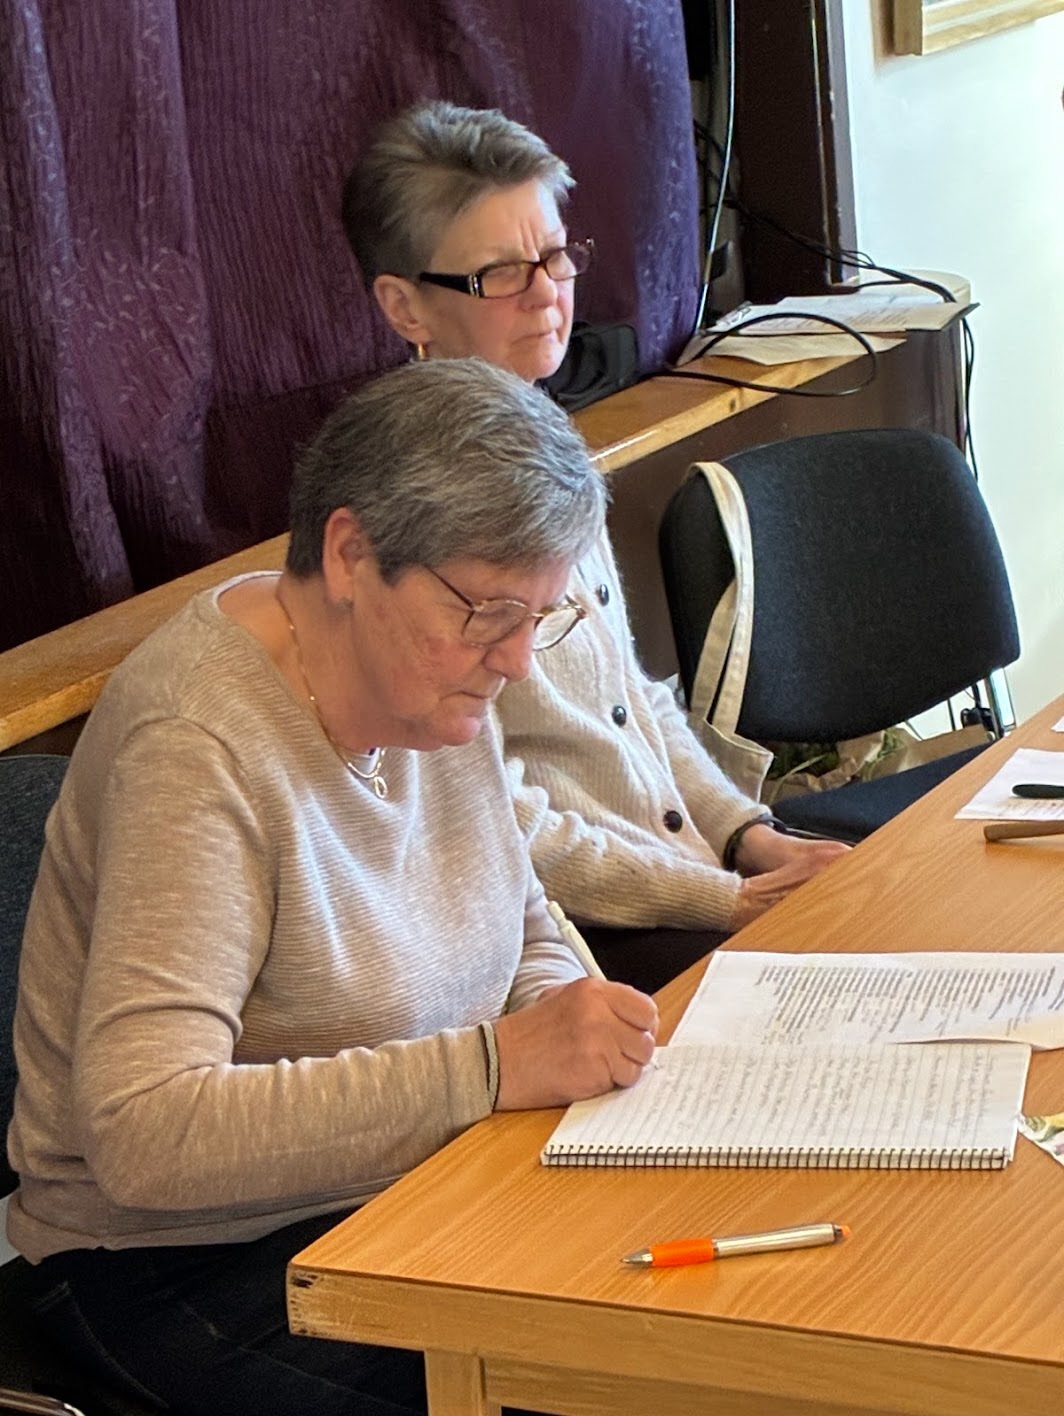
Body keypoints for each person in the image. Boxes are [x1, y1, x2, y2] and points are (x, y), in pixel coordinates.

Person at [8, 358, 659, 1416]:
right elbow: (145, 1134)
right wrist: (496, 1066)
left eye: (539, 617)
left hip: (416, 1187)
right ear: (352, 553)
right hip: (184, 1260)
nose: (519, 663)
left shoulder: (434, 678)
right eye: (490, 613)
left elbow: (520, 918)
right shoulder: (199, 743)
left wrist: (567, 1023)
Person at [343, 100, 848, 992]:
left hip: (688, 878)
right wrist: (722, 899)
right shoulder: (410, 515)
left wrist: (748, 834)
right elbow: (494, 820)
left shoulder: (546, 442)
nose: (548, 293)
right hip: (574, 936)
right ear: (404, 305)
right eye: (501, 273)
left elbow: (634, 699)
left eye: (555, 256)